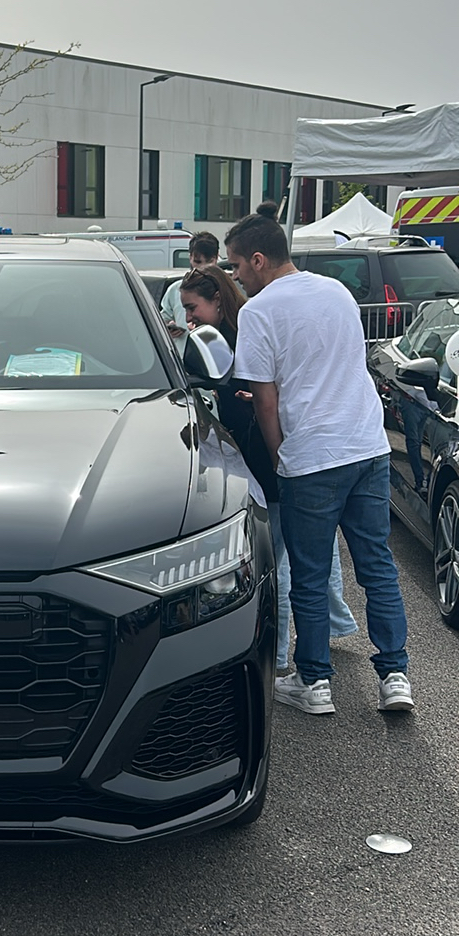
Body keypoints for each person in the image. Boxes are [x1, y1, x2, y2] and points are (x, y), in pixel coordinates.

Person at [225, 212, 412, 716]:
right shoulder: (337, 292)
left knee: (308, 574)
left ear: (259, 259)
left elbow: (265, 402)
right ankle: (395, 676)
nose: (236, 275)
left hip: (312, 456)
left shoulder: (258, 312)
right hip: (367, 445)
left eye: (238, 265)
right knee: (377, 566)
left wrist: (281, 454)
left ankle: (315, 683)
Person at [179, 266, 358, 671]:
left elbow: (266, 398)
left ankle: (278, 657)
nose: (189, 318)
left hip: (270, 461)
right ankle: (333, 624)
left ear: (217, 301)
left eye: (193, 308)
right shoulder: (243, 330)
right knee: (314, 552)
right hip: (291, 456)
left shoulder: (227, 340)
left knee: (276, 564)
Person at [160, 231, 220, 346]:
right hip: (182, 357)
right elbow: (162, 320)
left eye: (209, 262)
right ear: (190, 257)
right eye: (197, 261)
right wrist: (168, 327)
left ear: (217, 257)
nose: (203, 267)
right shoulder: (174, 290)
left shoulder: (226, 289)